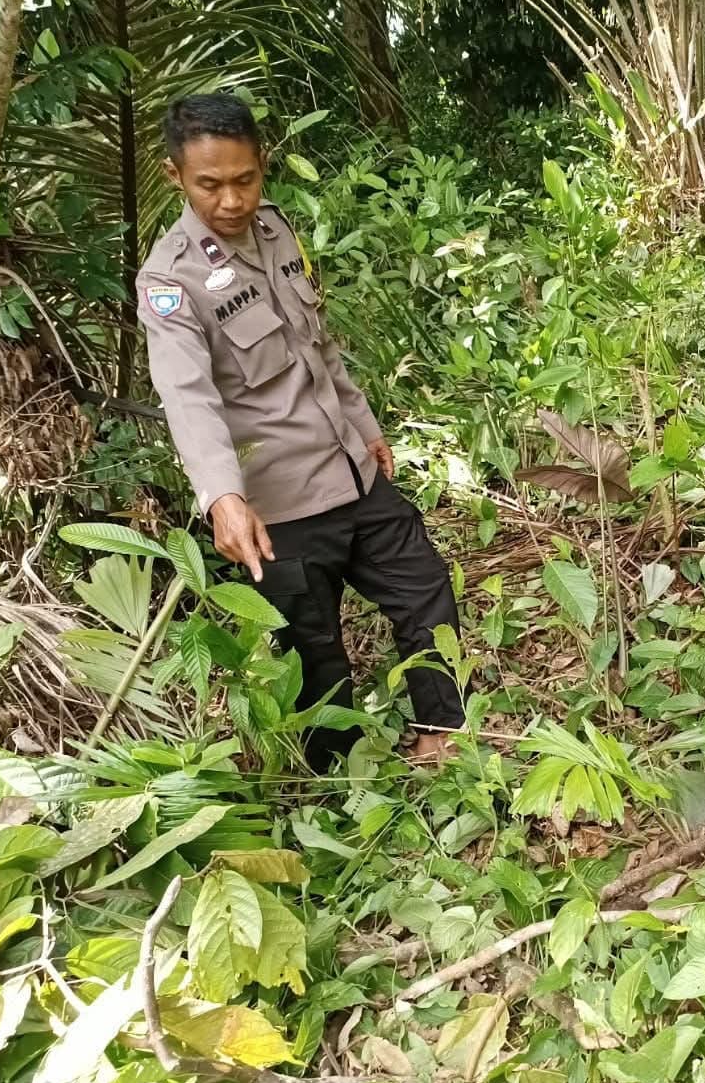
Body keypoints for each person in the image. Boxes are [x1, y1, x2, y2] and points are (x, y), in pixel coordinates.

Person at [135, 93, 463, 767]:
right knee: (313, 654)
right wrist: (222, 497)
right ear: (175, 177)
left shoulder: (278, 231)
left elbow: (319, 347)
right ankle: (336, 785)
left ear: (263, 167)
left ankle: (444, 733)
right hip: (277, 505)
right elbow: (186, 395)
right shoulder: (169, 281)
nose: (231, 199)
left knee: (424, 585)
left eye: (245, 180)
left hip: (350, 469)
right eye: (210, 185)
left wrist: (365, 425)